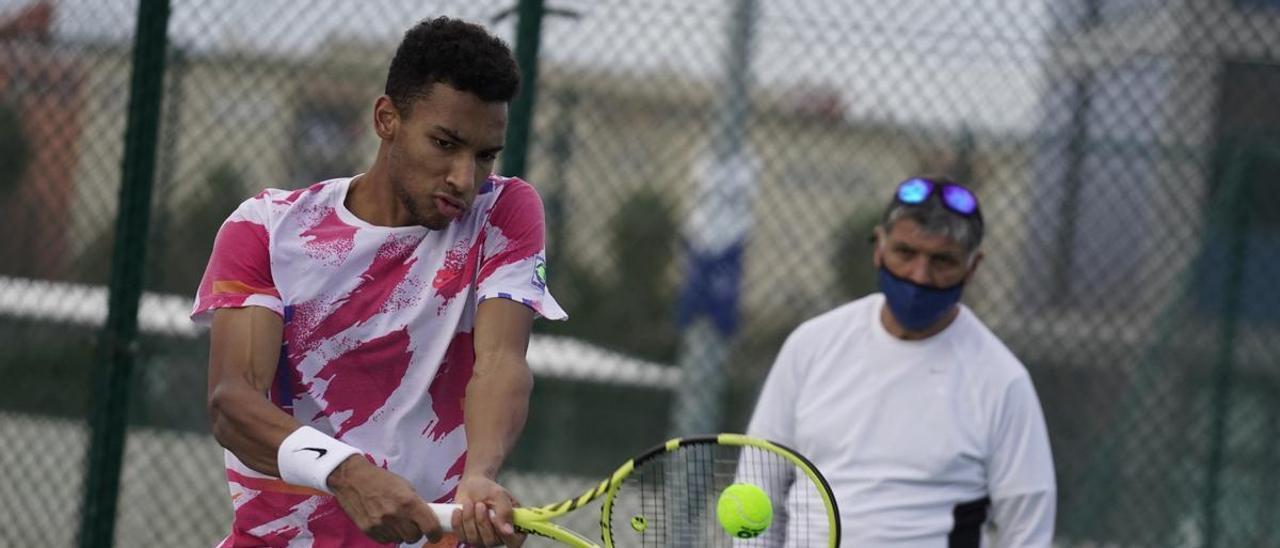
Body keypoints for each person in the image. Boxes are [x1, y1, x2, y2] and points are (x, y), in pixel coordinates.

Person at [193, 16, 565, 547]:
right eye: (445, 143)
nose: (465, 177)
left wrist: (481, 473)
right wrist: (348, 474)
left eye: (485, 155)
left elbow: (501, 360)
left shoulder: (504, 212)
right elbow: (232, 403)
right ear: (387, 119)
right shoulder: (267, 228)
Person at [746, 177, 1056, 547]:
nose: (919, 275)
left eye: (942, 261)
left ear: (973, 267)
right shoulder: (812, 345)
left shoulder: (1002, 381)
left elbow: (1027, 531)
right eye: (905, 253)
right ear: (879, 246)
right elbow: (759, 478)